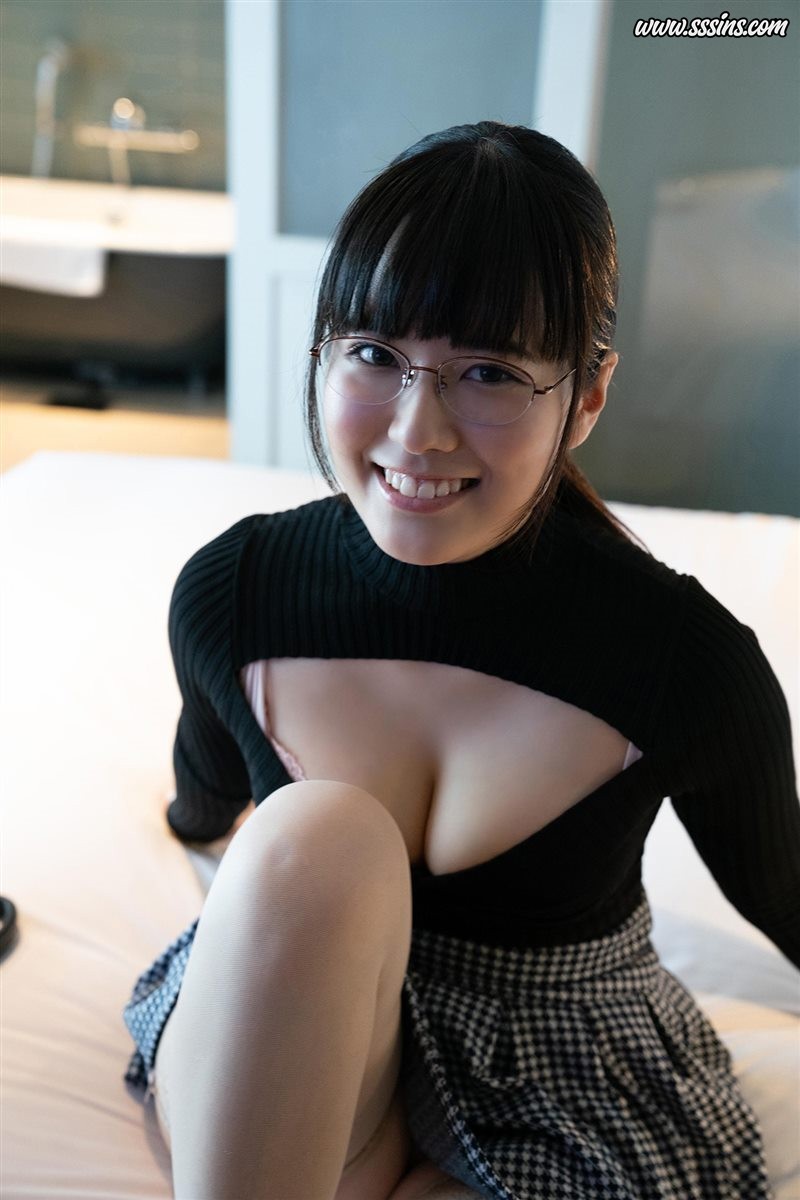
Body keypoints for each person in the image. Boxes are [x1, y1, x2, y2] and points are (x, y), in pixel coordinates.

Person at [123, 122, 800, 1200]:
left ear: (586, 396)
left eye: (487, 372)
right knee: (312, 836)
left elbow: (785, 890)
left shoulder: (683, 663)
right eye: (373, 355)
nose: (416, 432)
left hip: (557, 1061)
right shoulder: (234, 594)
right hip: (292, 1012)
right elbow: (202, 802)